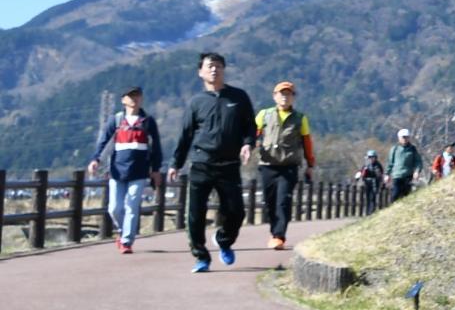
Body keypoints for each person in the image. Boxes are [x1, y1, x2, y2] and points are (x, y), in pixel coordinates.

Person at [167, 52, 257, 273]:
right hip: (200, 163)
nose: (214, 70)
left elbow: (250, 127)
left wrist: (248, 144)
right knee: (195, 214)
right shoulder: (196, 102)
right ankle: (201, 256)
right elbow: (185, 135)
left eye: (218, 66)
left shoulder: (238, 97)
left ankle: (224, 240)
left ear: (224, 70)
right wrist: (175, 164)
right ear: (201, 72)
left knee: (236, 211)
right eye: (209, 66)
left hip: (228, 165)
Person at [88, 87, 162, 255]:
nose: (135, 99)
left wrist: (155, 169)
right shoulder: (116, 120)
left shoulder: (147, 121)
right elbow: (103, 141)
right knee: (114, 207)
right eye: (131, 96)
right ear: (123, 100)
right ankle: (122, 231)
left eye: (137, 96)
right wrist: (95, 159)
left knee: (132, 205)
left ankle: (127, 241)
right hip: (117, 169)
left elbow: (156, 147)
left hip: (139, 169)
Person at [253, 81, 315, 251]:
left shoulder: (300, 119)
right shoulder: (264, 115)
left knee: (283, 201)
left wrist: (310, 164)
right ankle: (274, 232)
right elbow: (252, 135)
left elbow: (307, 143)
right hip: (267, 165)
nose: (284, 97)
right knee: (270, 201)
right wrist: (247, 147)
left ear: (293, 98)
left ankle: (279, 235)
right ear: (274, 96)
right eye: (281, 93)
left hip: (289, 166)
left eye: (288, 94)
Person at [387, 128, 421, 203]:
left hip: (407, 175)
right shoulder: (394, 149)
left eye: (406, 137)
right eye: (403, 137)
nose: (405, 139)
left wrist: (417, 171)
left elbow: (418, 161)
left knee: (406, 195)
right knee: (395, 194)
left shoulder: (412, 149)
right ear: (399, 138)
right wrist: (387, 174)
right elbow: (390, 162)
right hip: (397, 175)